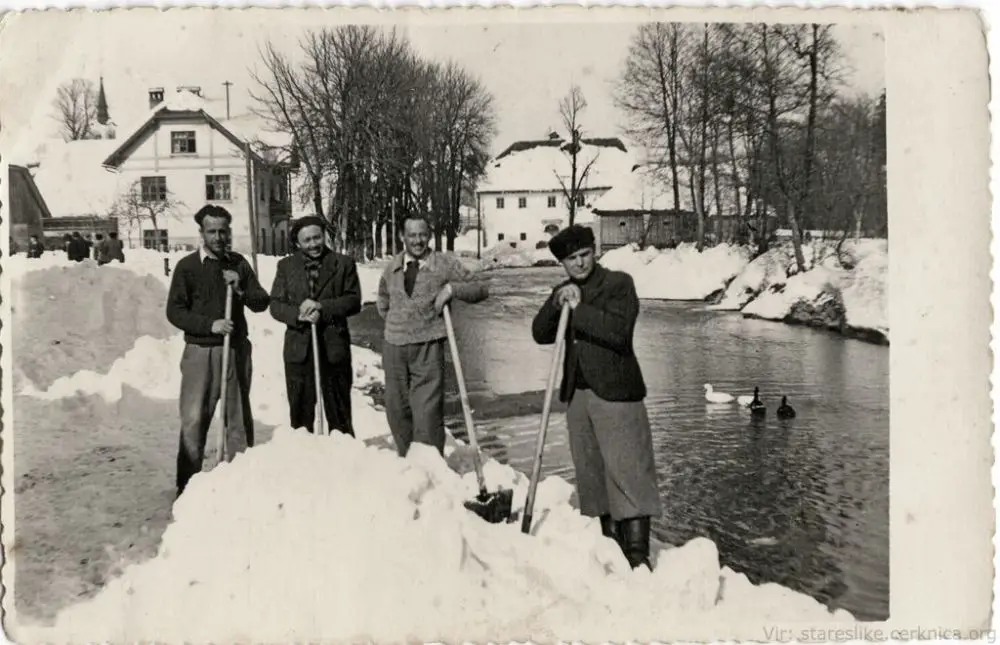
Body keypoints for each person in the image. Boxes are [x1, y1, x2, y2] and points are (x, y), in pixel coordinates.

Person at [530, 224, 662, 570]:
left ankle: (637, 557)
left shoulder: (619, 284)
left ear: (595, 250)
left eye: (585, 254)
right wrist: (557, 301)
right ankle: (608, 547)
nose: (580, 263)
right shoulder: (564, 289)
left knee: (628, 471)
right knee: (591, 473)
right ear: (563, 263)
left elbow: (618, 332)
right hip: (578, 394)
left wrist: (578, 307)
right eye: (571, 259)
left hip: (617, 394)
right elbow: (540, 333)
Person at [165, 204, 270, 498]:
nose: (219, 237)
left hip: (235, 350)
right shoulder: (187, 266)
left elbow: (261, 302)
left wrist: (241, 289)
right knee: (194, 419)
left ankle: (238, 484)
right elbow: (174, 311)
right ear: (201, 233)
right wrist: (209, 325)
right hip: (200, 352)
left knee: (236, 418)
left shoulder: (239, 263)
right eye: (212, 231)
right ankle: (187, 488)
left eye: (223, 231)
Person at [376, 213, 489, 457]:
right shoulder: (392, 267)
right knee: (397, 410)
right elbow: (383, 300)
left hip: (428, 345)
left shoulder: (443, 264)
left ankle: (429, 466)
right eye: (412, 235)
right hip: (394, 345)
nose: (418, 241)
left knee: (426, 412)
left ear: (429, 236)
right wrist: (398, 322)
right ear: (402, 237)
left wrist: (451, 288)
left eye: (423, 235)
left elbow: (480, 288)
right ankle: (408, 460)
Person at [269, 216, 362, 436]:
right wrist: (299, 314)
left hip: (333, 348)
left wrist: (321, 307)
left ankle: (343, 460)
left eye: (317, 237)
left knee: (339, 414)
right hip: (299, 350)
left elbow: (353, 301)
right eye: (307, 240)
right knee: (300, 417)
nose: (313, 244)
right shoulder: (286, 266)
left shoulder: (343, 264)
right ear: (297, 243)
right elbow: (276, 305)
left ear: (324, 236)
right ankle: (306, 463)